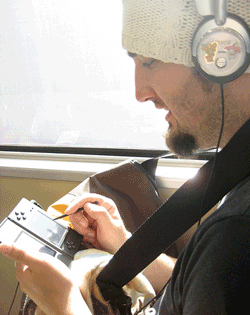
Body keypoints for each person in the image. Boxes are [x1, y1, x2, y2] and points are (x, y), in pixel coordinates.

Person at [1, 0, 250, 314]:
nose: (139, 92)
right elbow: (201, 285)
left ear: (224, 55)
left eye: (148, 61)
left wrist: (64, 304)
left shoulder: (237, 232)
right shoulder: (238, 172)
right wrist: (123, 243)